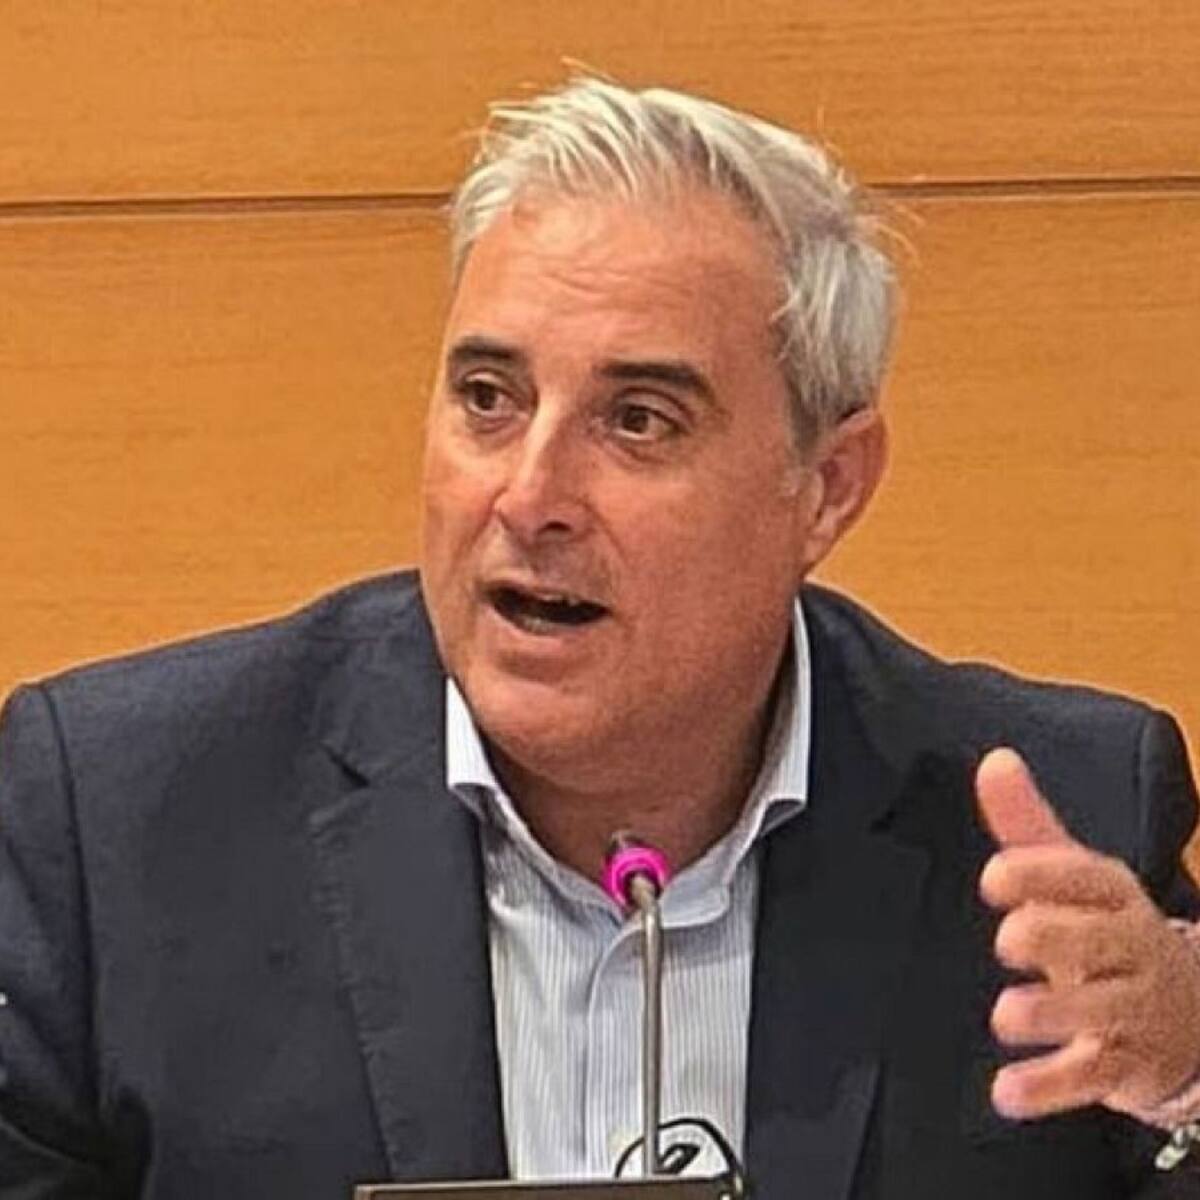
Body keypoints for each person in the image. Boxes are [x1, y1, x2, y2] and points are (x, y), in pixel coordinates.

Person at [1, 78, 1198, 1199]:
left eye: (639, 421)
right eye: (488, 399)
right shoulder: (121, 824)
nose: (531, 497)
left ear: (827, 487)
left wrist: (1191, 1072)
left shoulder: (1063, 829)